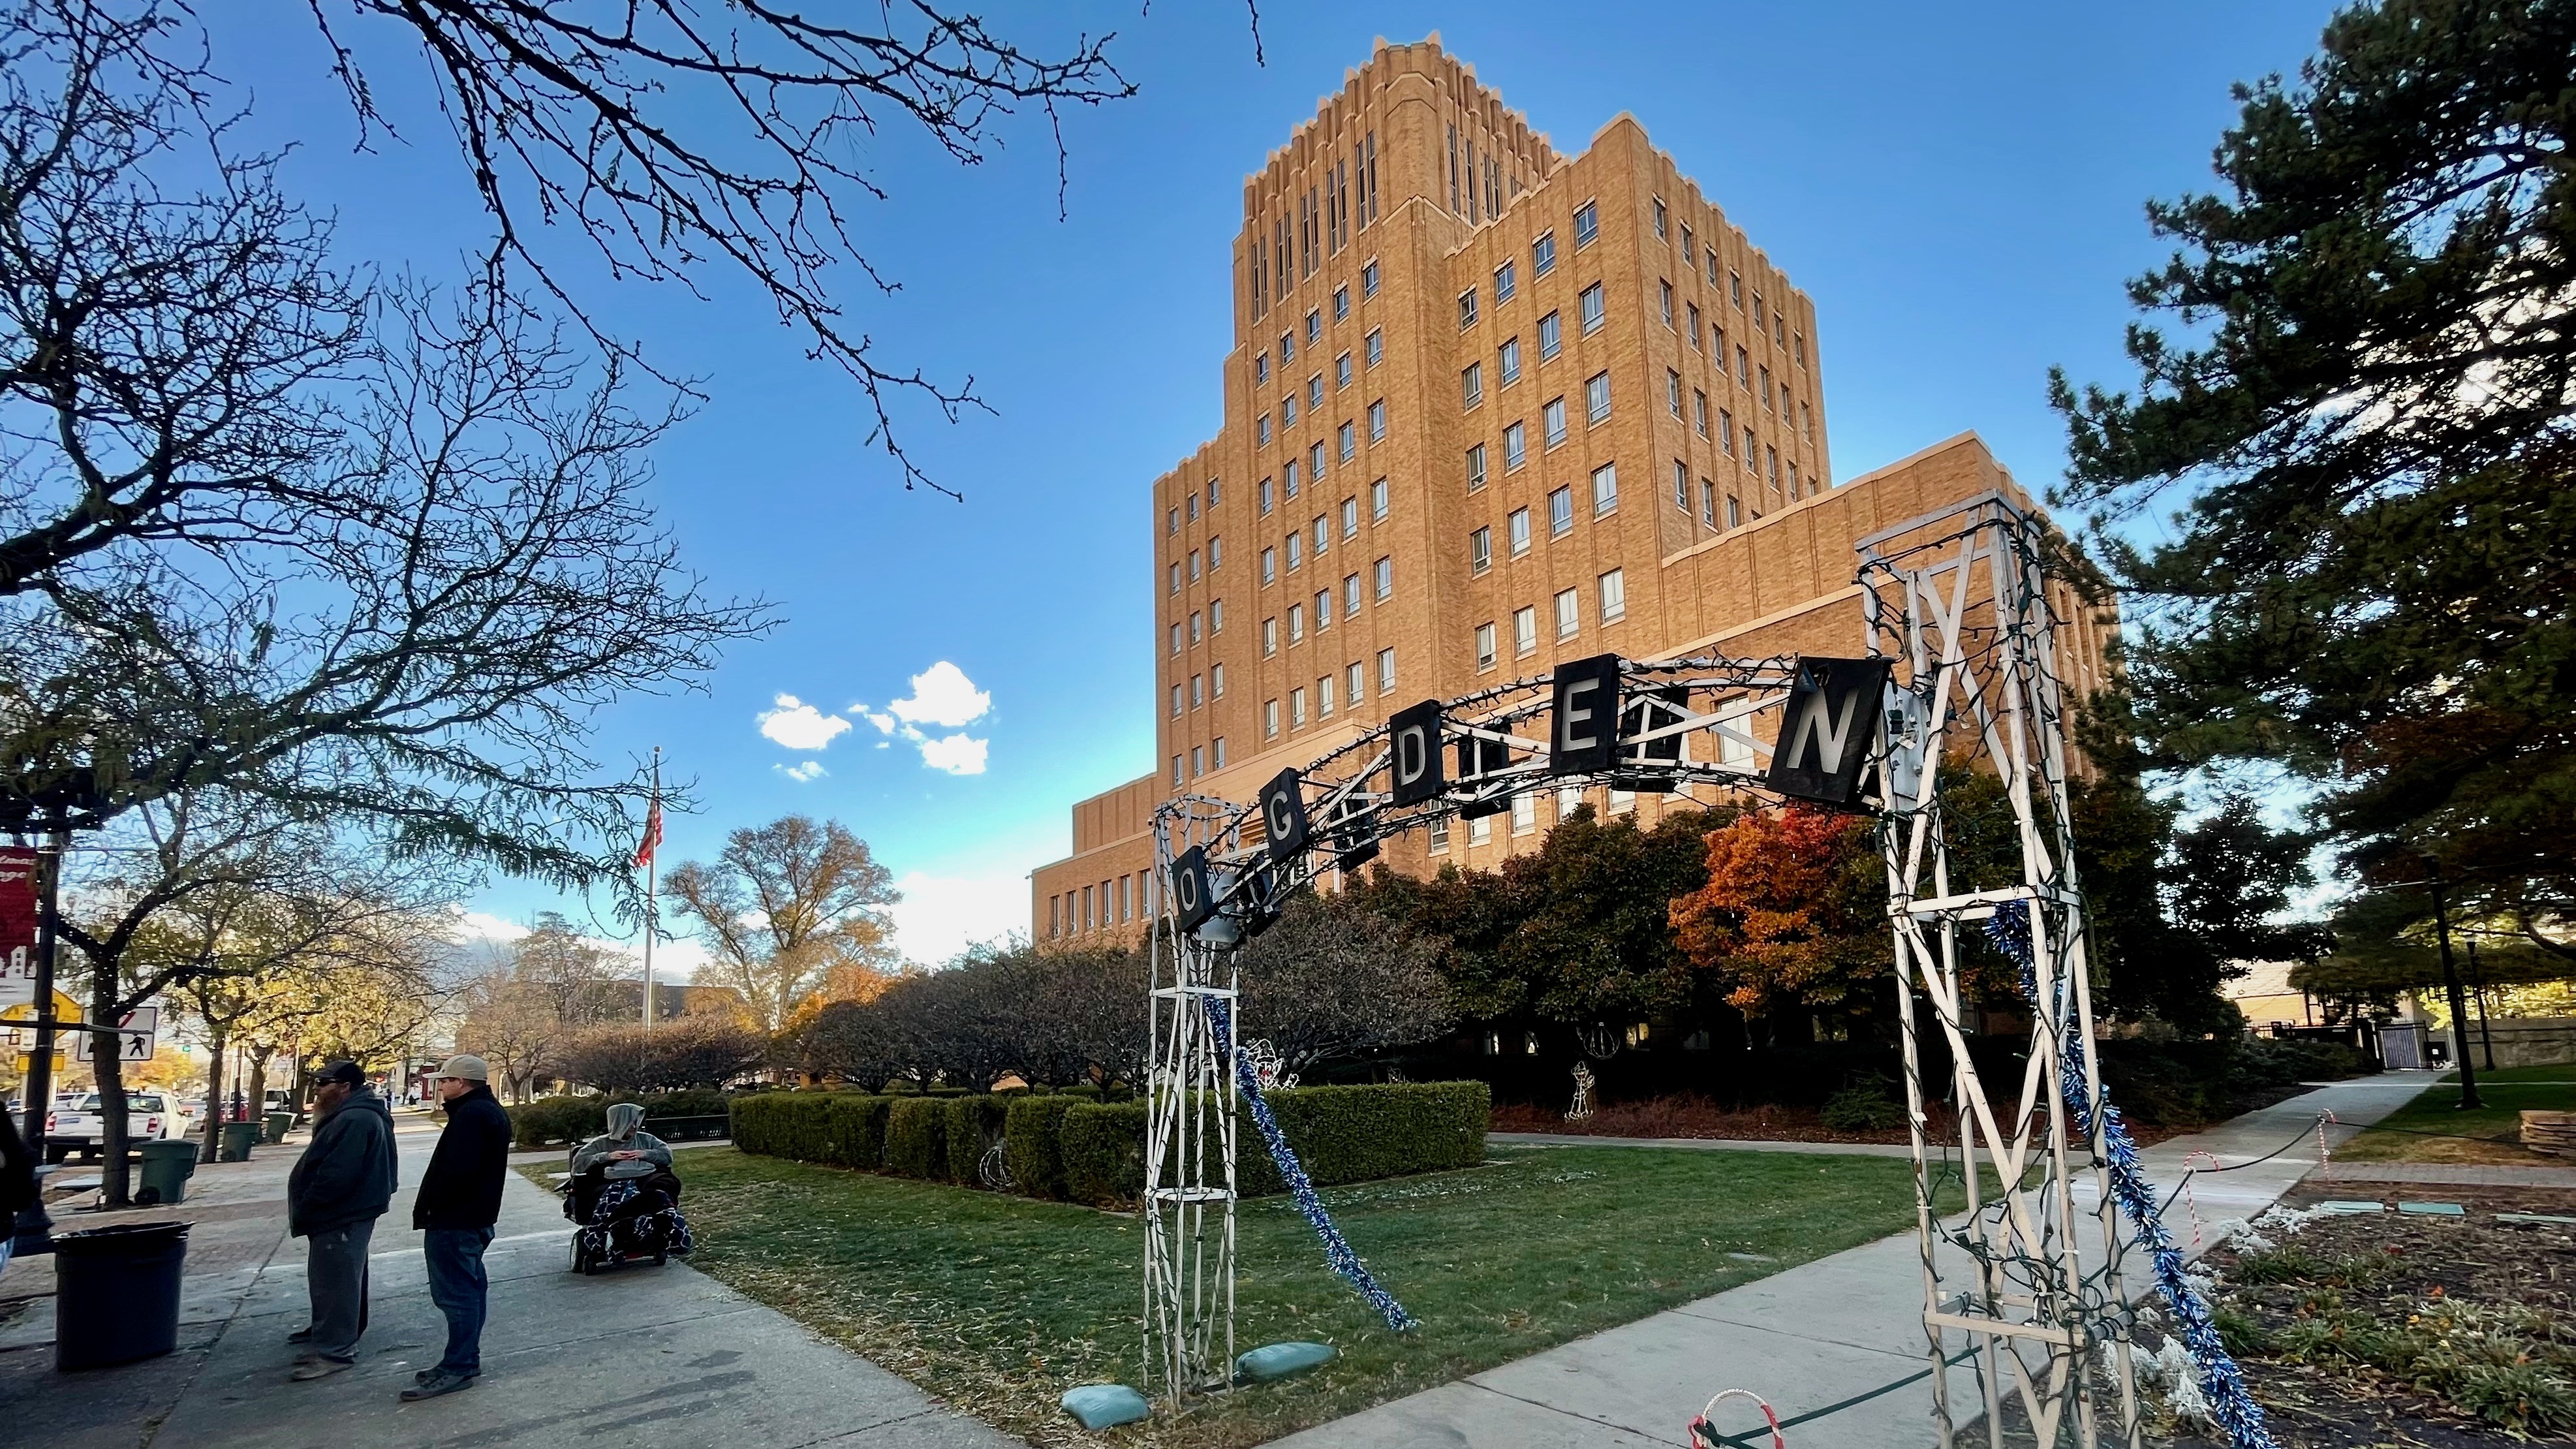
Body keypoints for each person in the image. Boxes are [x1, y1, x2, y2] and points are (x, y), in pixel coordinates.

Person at [405, 1054, 510, 1402]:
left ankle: (459, 1365)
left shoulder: (471, 1116)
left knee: (458, 1295)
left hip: (456, 1221)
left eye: (444, 1080)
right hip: (471, 1218)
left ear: (461, 1083)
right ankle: (463, 1359)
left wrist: (436, 1206)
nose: (440, 1086)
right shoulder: (484, 1112)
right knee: (470, 1290)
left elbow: (458, 1171)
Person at [283, 1061, 397, 1380]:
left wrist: (310, 1203)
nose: (318, 1089)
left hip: (343, 1212)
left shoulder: (356, 1118)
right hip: (346, 1210)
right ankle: (332, 1334)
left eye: (324, 1083)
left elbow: (338, 1175)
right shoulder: (354, 1115)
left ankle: (336, 1350)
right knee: (340, 1277)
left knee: (337, 1280)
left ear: (345, 1086)